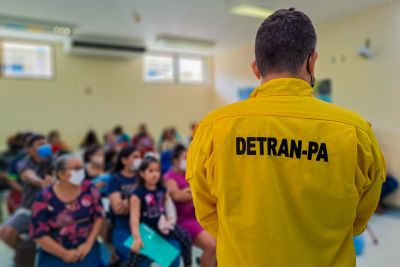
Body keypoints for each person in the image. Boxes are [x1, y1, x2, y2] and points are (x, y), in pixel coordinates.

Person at [187, 8, 386, 267]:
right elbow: (358, 221)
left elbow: (207, 215)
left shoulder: (212, 129)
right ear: (312, 61)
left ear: (256, 69)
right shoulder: (356, 132)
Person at [30, 155, 104, 266]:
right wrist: (64, 254)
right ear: (61, 174)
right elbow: (38, 234)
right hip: (54, 249)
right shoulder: (45, 197)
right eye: (76, 168)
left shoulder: (89, 188)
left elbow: (99, 216)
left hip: (85, 246)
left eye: (81, 168)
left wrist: (88, 244)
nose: (81, 172)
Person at [127, 157, 192, 267]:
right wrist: (137, 238)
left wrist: (170, 220)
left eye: (157, 170)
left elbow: (169, 206)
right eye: (150, 171)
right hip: (146, 229)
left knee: (185, 237)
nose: (155, 174)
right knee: (135, 256)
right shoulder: (137, 194)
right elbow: (134, 218)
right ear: (142, 174)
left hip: (161, 225)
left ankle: (188, 264)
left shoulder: (162, 189)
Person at [165, 144, 216, 267]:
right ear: (175, 160)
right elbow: (177, 196)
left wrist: (188, 191)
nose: (187, 160)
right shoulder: (169, 177)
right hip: (184, 220)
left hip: (199, 216)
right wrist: (194, 192)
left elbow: (206, 190)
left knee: (220, 242)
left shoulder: (189, 173)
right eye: (184, 157)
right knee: (211, 245)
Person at [0, 134, 54, 251]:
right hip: (29, 206)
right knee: (6, 232)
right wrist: (39, 183)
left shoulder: (56, 161)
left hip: (53, 210)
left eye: (46, 143)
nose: (45, 146)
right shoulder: (17, 160)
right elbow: (22, 176)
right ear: (29, 149)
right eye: (40, 144)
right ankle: (26, 254)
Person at [108, 146, 142, 263]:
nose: (139, 160)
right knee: (134, 255)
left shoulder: (141, 176)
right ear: (124, 160)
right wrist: (135, 200)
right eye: (135, 157)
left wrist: (127, 202)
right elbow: (118, 209)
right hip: (123, 227)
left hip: (143, 225)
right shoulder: (115, 179)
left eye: (140, 157)